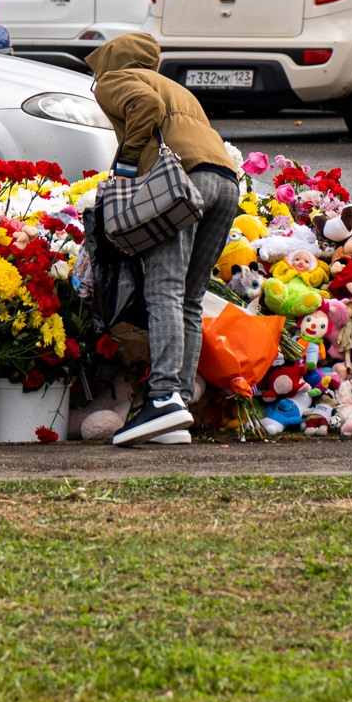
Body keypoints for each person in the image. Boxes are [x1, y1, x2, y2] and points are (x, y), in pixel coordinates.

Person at [86, 32, 240, 447]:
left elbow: (146, 109)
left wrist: (129, 164)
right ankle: (179, 408)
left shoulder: (115, 79)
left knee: (164, 291)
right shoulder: (177, 88)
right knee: (190, 297)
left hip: (181, 184)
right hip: (224, 182)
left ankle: (163, 397)